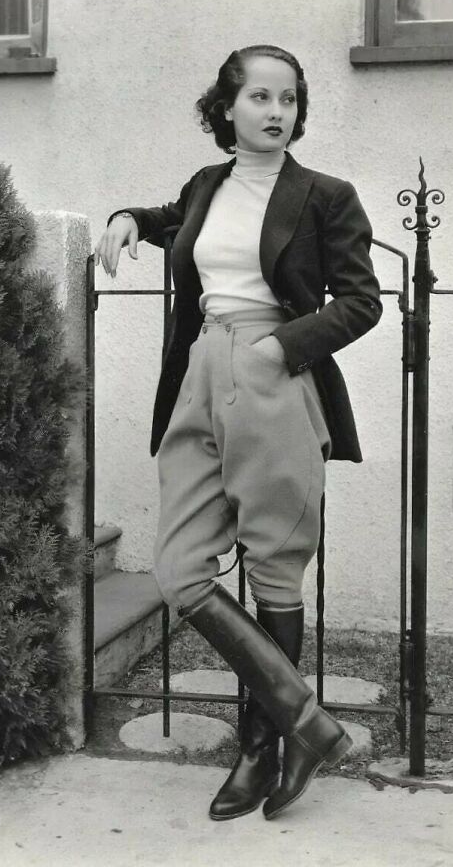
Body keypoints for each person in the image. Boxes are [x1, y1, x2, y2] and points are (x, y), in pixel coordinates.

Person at [95, 44, 382, 821]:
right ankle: (306, 722)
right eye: (259, 97)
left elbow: (361, 302)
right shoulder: (207, 184)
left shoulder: (326, 195)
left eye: (288, 99)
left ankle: (262, 746)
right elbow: (173, 221)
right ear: (226, 108)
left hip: (272, 373)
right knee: (180, 567)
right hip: (200, 373)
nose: (276, 111)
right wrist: (129, 217)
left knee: (276, 568)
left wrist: (277, 350)